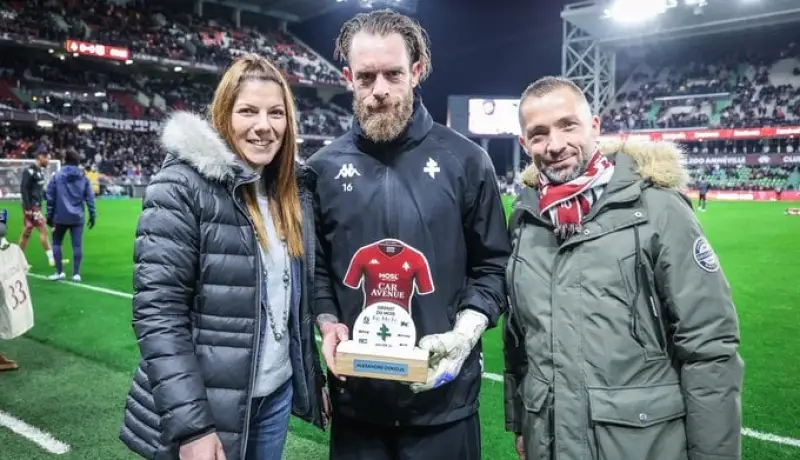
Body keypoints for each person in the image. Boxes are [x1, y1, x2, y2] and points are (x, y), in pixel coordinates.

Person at [503, 76, 743, 460]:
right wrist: (522, 422)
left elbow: (709, 346)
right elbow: (519, 338)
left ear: (595, 127)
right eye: (539, 133)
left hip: (642, 446)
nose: (555, 145)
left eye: (568, 125)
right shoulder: (526, 220)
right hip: (548, 442)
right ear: (524, 143)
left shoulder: (658, 209)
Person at [306, 9, 511, 460]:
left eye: (393, 74)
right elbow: (316, 267)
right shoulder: (319, 169)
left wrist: (465, 334)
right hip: (357, 406)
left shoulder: (468, 161)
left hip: (444, 405)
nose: (379, 90)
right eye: (366, 77)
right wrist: (326, 320)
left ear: (417, 72)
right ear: (348, 78)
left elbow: (494, 265)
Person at [118, 54, 329, 460]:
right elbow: (158, 314)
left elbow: (291, 304)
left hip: (275, 397)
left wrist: (307, 377)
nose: (263, 126)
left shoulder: (292, 192)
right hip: (209, 406)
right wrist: (193, 425)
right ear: (223, 114)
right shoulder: (180, 186)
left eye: (276, 113)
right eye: (248, 111)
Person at [45, 149, 96, 282]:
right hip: (77, 217)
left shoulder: (56, 176)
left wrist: (49, 216)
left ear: (65, 160)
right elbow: (90, 198)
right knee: (77, 246)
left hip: (60, 216)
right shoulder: (83, 177)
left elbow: (50, 197)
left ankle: (59, 272)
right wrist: (92, 215)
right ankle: (76, 274)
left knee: (56, 243)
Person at [19, 150, 55, 267]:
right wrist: (28, 207)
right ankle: (52, 259)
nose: (48, 161)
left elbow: (39, 189)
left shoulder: (40, 171)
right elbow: (24, 189)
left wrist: (47, 197)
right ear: (40, 157)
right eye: (47, 158)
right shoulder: (29, 171)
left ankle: (19, 259)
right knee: (43, 228)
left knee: (27, 232)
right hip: (31, 206)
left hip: (37, 205)